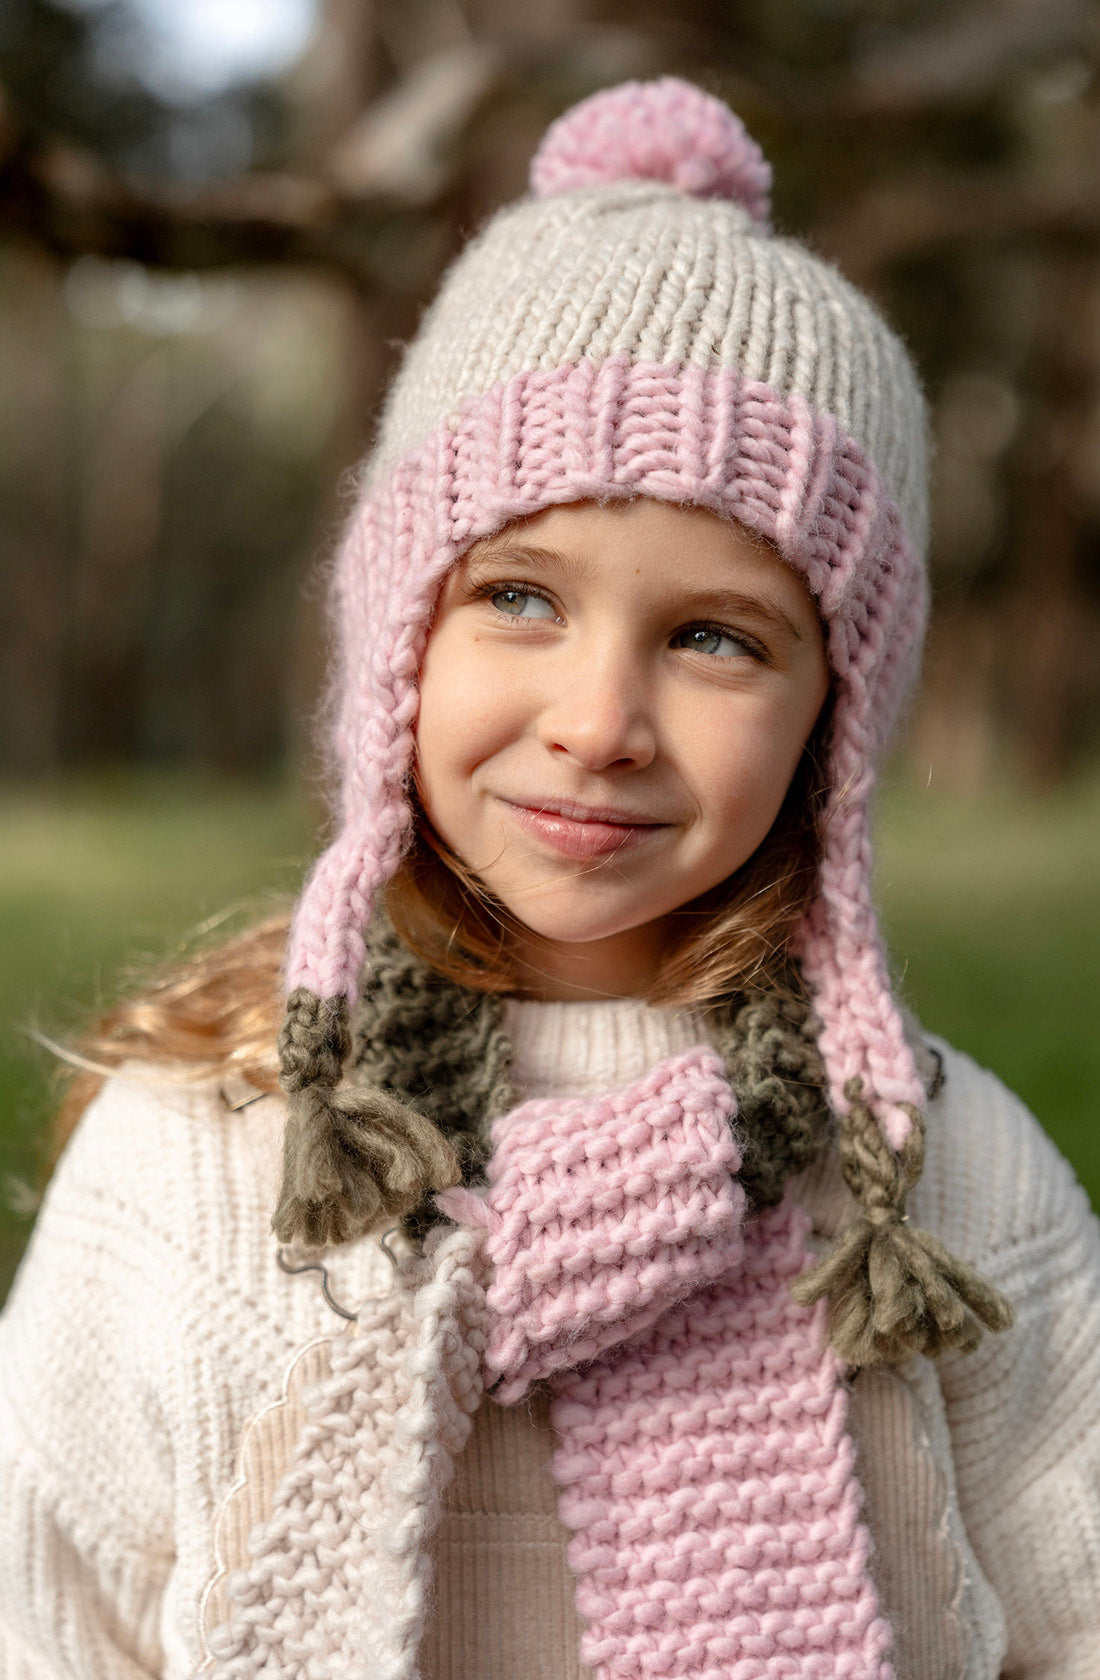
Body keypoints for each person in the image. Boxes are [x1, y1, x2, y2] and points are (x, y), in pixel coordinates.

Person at [1, 76, 1097, 1680]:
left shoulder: (936, 1187)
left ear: (836, 721)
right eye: (519, 596)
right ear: (400, 638)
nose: (597, 725)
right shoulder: (206, 1165)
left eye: (716, 638)